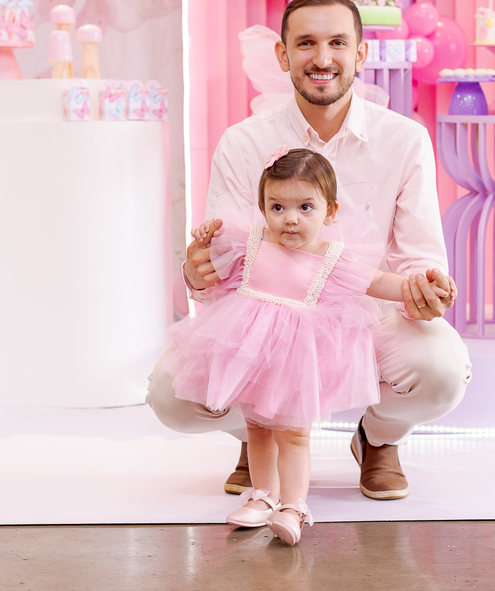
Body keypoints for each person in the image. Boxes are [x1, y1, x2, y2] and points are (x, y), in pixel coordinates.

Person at [148, 0, 471, 502]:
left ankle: (378, 439)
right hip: (270, 318)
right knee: (170, 397)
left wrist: (425, 288)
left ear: (360, 54)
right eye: (306, 43)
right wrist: (197, 271)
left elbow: (420, 256)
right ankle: (257, 434)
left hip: (367, 317)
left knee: (443, 372)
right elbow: (223, 259)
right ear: (283, 55)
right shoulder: (244, 142)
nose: (322, 58)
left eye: (337, 42)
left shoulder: (405, 140)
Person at [163, 148, 431, 544]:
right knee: (257, 429)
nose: (290, 219)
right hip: (254, 355)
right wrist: (205, 242)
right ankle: (263, 496)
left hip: (297, 360)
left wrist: (416, 284)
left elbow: (376, 282)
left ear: (330, 211)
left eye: (305, 207)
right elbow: (211, 273)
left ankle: (294, 505)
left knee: (293, 434)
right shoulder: (250, 244)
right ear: (263, 208)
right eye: (277, 207)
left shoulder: (330, 258)